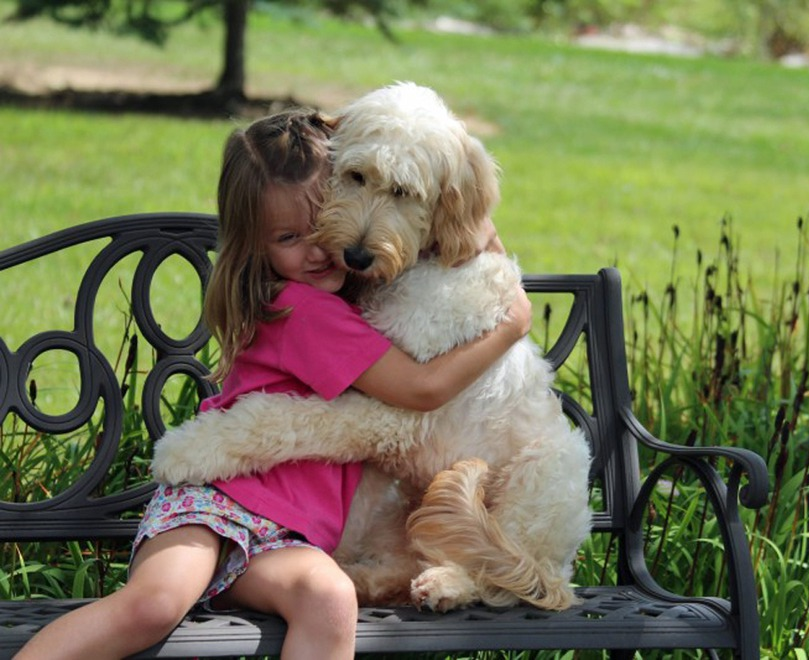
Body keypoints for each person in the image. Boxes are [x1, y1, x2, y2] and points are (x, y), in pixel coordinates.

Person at [15, 109, 531, 660]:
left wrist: (478, 221)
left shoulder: (347, 294)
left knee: (328, 597)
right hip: (214, 507)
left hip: (289, 539)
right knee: (154, 603)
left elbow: (462, 230)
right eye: (289, 237)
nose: (315, 248)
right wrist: (513, 323)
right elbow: (423, 390)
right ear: (256, 245)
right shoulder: (303, 311)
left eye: (322, 224)